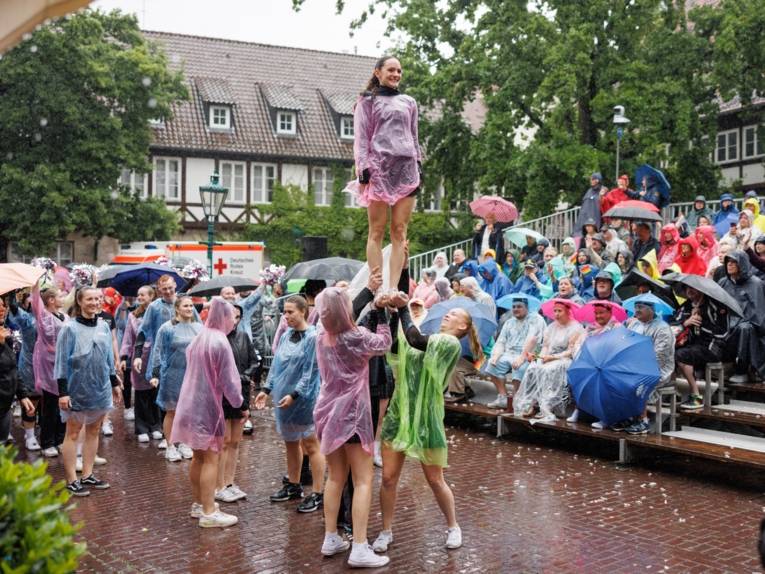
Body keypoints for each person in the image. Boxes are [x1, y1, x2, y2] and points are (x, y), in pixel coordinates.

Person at [373, 296, 474, 555]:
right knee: (387, 478)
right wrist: (394, 310)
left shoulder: (449, 344)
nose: (447, 316)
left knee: (434, 479)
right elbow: (398, 346)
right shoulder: (430, 339)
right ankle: (386, 530)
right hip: (399, 415)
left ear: (463, 326)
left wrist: (403, 307)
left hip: (427, 420)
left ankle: (453, 526)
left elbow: (415, 340)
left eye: (453, 314)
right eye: (447, 313)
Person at [312, 287, 392, 568]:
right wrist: (380, 311)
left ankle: (330, 536)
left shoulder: (322, 337)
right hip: (353, 415)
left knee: (335, 478)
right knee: (362, 480)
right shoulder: (356, 337)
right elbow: (384, 343)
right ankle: (359, 546)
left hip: (326, 412)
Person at [171, 298, 243, 528]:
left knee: (198, 457)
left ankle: (199, 503)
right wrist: (239, 404)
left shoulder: (199, 338)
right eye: (231, 316)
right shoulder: (220, 342)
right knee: (212, 456)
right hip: (207, 407)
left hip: (189, 403)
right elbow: (230, 380)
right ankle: (209, 511)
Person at [352, 55, 421, 292]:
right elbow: (361, 138)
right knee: (377, 230)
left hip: (406, 170)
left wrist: (418, 163)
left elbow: (414, 136)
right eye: (391, 70)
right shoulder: (367, 101)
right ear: (378, 72)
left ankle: (393, 288)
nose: (396, 74)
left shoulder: (409, 102)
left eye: (399, 71)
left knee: (400, 230)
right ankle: (376, 285)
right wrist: (363, 170)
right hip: (379, 170)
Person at [254, 296, 325, 512]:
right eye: (284, 312)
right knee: (290, 442)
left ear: (303, 311)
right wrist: (266, 390)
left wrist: (295, 394)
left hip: (304, 399)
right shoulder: (286, 334)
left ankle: (318, 492)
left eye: (290, 312)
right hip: (283, 397)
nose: (286, 316)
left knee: (311, 444)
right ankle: (293, 485)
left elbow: (311, 372)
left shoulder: (313, 337)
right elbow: (275, 366)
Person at [55, 287, 122, 496]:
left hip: (100, 387)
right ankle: (71, 479)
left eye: (98, 299)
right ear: (80, 301)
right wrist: (63, 392)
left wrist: (114, 382)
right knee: (73, 432)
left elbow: (108, 358)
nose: (95, 302)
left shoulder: (103, 325)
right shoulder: (69, 328)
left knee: (94, 431)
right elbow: (61, 362)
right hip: (77, 388)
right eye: (90, 299)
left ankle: (88, 474)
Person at [149, 296, 202, 462]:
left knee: (188, 411)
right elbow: (157, 352)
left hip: (192, 374)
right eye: (185, 305)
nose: (189, 308)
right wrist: (155, 374)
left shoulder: (199, 328)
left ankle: (185, 442)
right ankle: (171, 445)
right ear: (177, 308)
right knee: (172, 411)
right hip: (172, 374)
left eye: (191, 305)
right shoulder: (167, 328)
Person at [215, 303, 260, 504]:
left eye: (237, 316)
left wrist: (244, 376)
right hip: (223, 395)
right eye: (231, 316)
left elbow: (254, 361)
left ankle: (230, 482)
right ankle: (219, 485)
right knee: (223, 441)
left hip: (241, 392)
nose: (234, 320)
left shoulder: (243, 337)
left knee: (235, 441)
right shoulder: (218, 339)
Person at [513, 300, 584, 419]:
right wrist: (539, 357)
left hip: (564, 359)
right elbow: (545, 347)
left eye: (559, 311)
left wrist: (552, 357)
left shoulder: (575, 328)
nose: (556, 314)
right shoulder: (551, 327)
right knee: (533, 368)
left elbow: (570, 351)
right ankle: (531, 403)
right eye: (555, 311)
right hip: (549, 357)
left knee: (548, 370)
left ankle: (546, 405)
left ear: (567, 312)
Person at [617, 299, 676, 434]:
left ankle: (643, 420)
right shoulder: (633, 325)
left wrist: (635, 365)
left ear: (652, 310)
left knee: (638, 379)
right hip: (634, 365)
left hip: (658, 368)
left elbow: (659, 357)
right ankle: (626, 415)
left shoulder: (663, 329)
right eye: (636, 307)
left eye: (641, 307)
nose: (637, 310)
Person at [674, 286, 732, 410]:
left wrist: (702, 324)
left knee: (681, 355)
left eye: (693, 288)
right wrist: (686, 322)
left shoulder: (716, 306)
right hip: (692, 345)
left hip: (713, 347)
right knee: (668, 351)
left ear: (702, 290)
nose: (689, 291)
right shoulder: (686, 306)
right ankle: (675, 394)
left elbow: (724, 332)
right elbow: (675, 322)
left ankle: (696, 396)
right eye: (687, 289)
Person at [484, 295, 546, 409]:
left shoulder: (536, 319)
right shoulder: (509, 322)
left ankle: (517, 398)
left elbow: (533, 340)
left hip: (531, 353)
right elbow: (501, 341)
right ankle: (503, 397)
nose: (516, 309)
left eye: (519, 306)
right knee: (492, 365)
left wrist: (522, 357)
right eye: (513, 307)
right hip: (509, 353)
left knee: (519, 367)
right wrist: (496, 355)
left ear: (526, 308)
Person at [566, 301, 623, 424]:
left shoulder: (617, 327)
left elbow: (617, 349)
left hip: (609, 365)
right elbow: (579, 344)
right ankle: (579, 409)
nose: (598, 316)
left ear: (609, 312)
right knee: (577, 374)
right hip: (590, 362)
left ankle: (605, 416)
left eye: (601, 313)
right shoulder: (591, 327)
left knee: (602, 379)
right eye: (596, 313)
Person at [118, 285, 162, 443]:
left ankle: (156, 426)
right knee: (142, 394)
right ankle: (142, 427)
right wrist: (124, 357)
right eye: (138, 295)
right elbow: (129, 337)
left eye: (143, 295)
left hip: (156, 358)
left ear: (152, 296)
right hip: (140, 358)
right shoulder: (133, 316)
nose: (140, 298)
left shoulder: (159, 314)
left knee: (155, 394)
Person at [31, 282, 67, 458]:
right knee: (51, 406)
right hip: (48, 367)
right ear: (51, 300)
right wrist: (35, 284)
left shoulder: (65, 316)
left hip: (64, 367)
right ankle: (47, 442)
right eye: (60, 296)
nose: (63, 298)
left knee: (64, 405)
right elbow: (36, 302)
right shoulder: (44, 316)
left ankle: (61, 439)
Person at [717, 251, 765, 383]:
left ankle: (741, 369)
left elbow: (758, 313)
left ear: (742, 264)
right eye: (728, 262)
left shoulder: (756, 284)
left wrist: (738, 320)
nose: (729, 265)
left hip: (748, 324)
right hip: (725, 321)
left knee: (745, 329)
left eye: (733, 262)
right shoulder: (723, 282)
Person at [6, 292, 40, 451]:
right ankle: (30, 436)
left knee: (45, 404)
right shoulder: (30, 320)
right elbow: (16, 311)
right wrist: (11, 295)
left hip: (49, 369)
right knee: (30, 401)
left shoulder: (57, 319)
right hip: (30, 366)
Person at [0, 315, 35, 444]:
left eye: (3, 306)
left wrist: (22, 395)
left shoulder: (4, 337)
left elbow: (12, 368)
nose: (3, 310)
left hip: (5, 405)